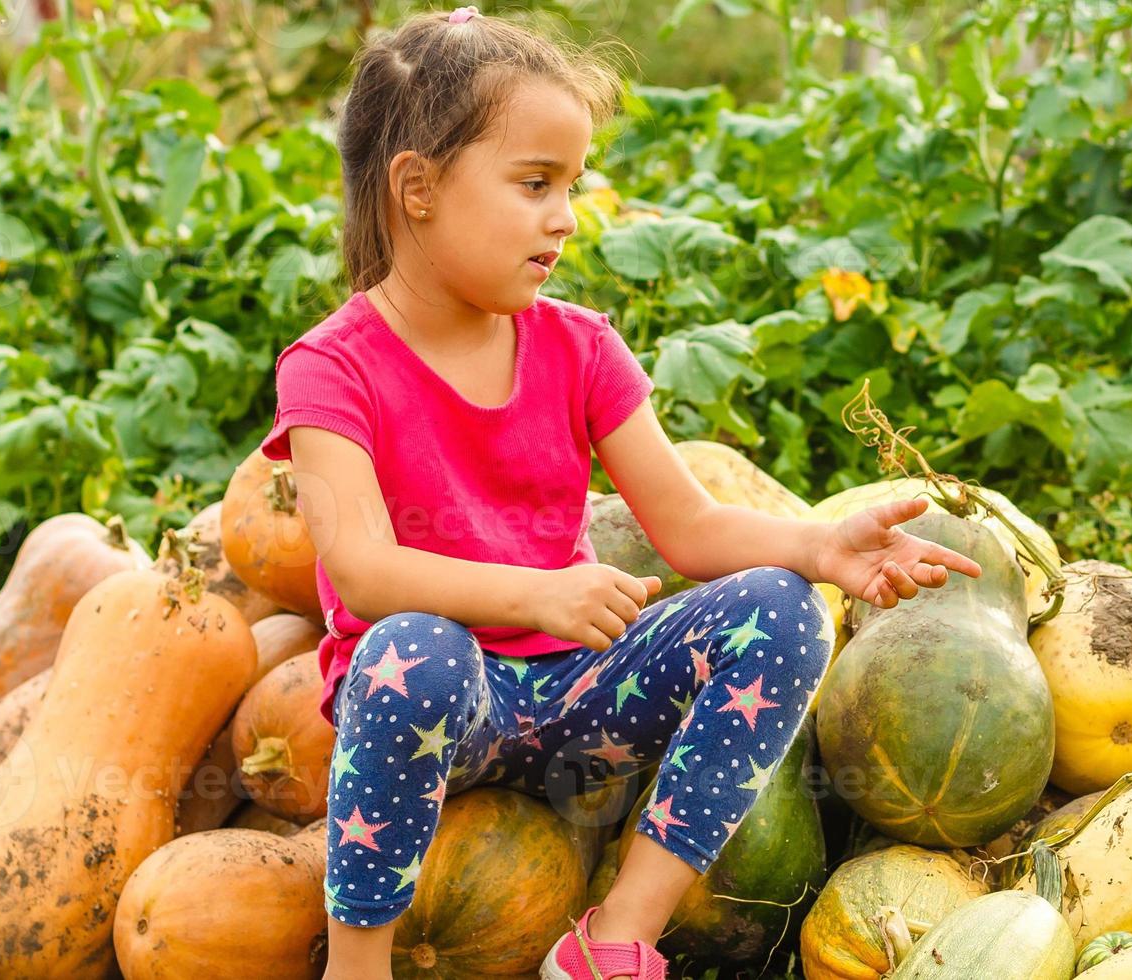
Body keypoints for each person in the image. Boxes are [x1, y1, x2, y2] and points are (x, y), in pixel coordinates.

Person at [264, 7, 982, 979]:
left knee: (779, 613)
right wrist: (537, 593)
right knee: (408, 652)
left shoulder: (579, 346)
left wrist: (817, 548)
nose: (564, 215)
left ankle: (611, 941)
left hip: (578, 694)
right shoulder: (331, 368)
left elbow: (685, 526)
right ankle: (358, 966)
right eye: (534, 184)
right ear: (417, 187)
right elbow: (361, 566)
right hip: (441, 702)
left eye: (571, 184)